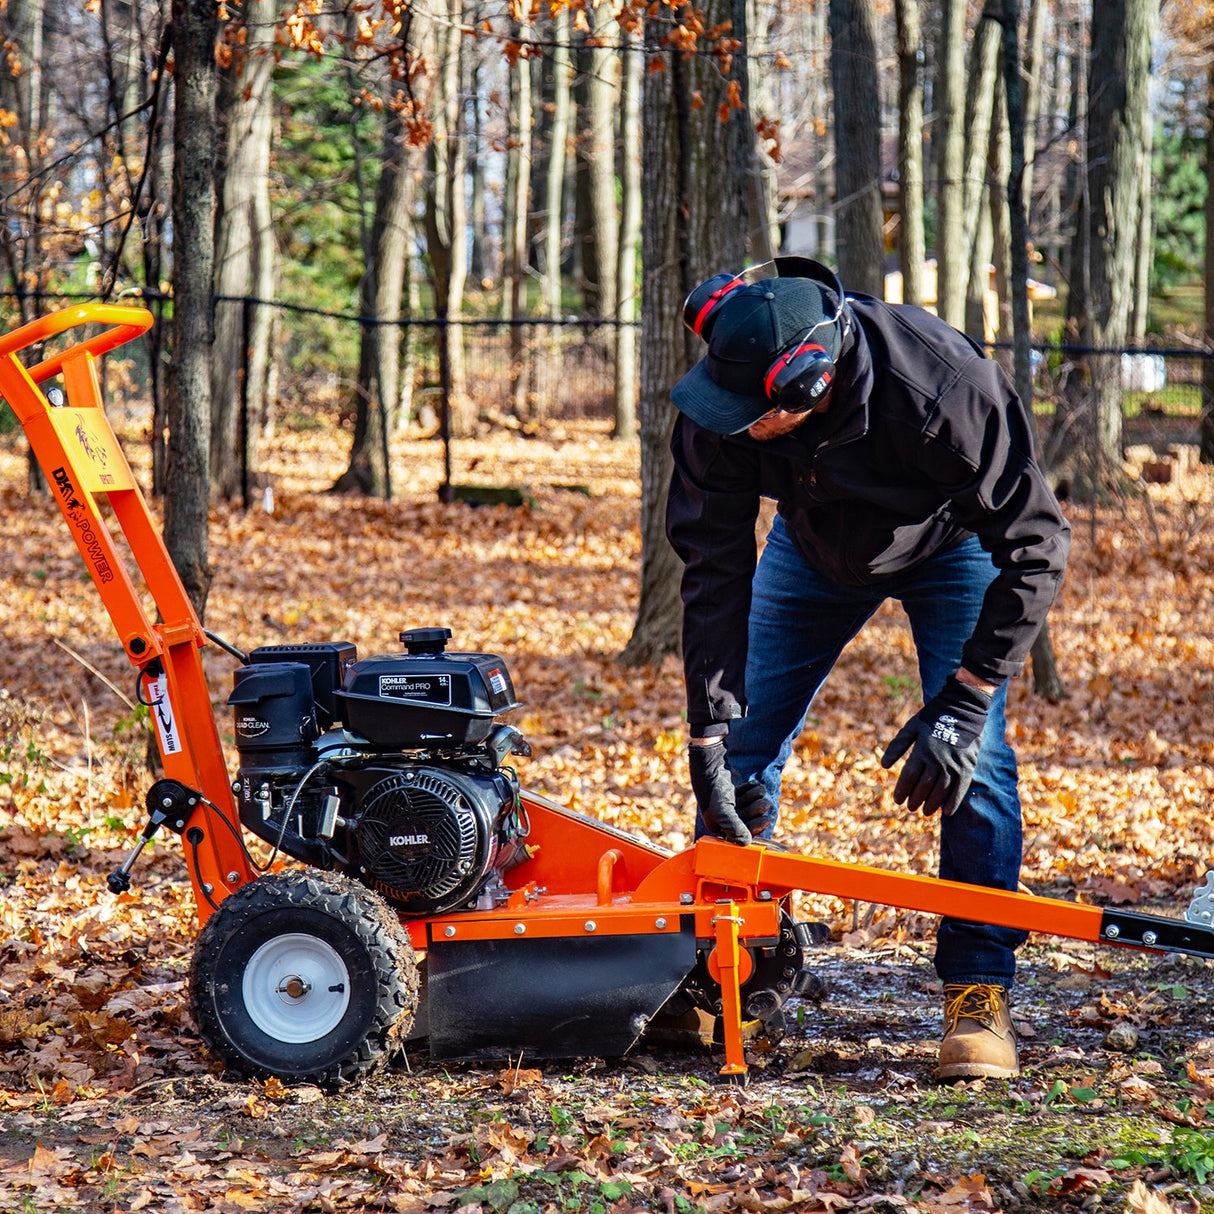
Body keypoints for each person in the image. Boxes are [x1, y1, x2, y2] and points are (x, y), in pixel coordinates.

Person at [665, 257, 1071, 1081]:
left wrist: (968, 695)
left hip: (949, 549)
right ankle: (727, 972)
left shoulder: (946, 389)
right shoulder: (725, 402)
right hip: (810, 551)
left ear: (807, 385)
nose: (732, 426)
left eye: (751, 416)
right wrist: (707, 731)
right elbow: (710, 562)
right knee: (740, 756)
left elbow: (1037, 546)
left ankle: (978, 993)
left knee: (979, 765)